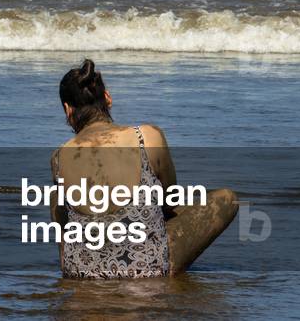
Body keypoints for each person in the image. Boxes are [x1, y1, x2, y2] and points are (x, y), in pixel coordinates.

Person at [50, 59, 238, 278]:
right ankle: (155, 261)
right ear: (108, 98)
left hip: (83, 269)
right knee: (226, 198)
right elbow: (170, 200)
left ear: (68, 110)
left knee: (56, 199)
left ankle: (72, 266)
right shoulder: (147, 137)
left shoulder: (59, 156)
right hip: (144, 267)